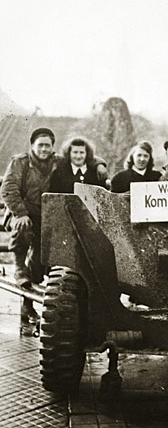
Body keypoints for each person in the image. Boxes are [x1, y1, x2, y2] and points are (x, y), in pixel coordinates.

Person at [0, 127, 108, 324]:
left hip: (46, 214)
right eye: (40, 145)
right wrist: (20, 212)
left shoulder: (57, 161)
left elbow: (82, 156)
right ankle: (18, 266)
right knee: (24, 228)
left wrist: (100, 164)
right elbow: (9, 189)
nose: (43, 149)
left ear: (52, 148)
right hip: (21, 211)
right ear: (32, 145)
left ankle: (30, 303)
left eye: (47, 145)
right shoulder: (20, 162)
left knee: (42, 257)